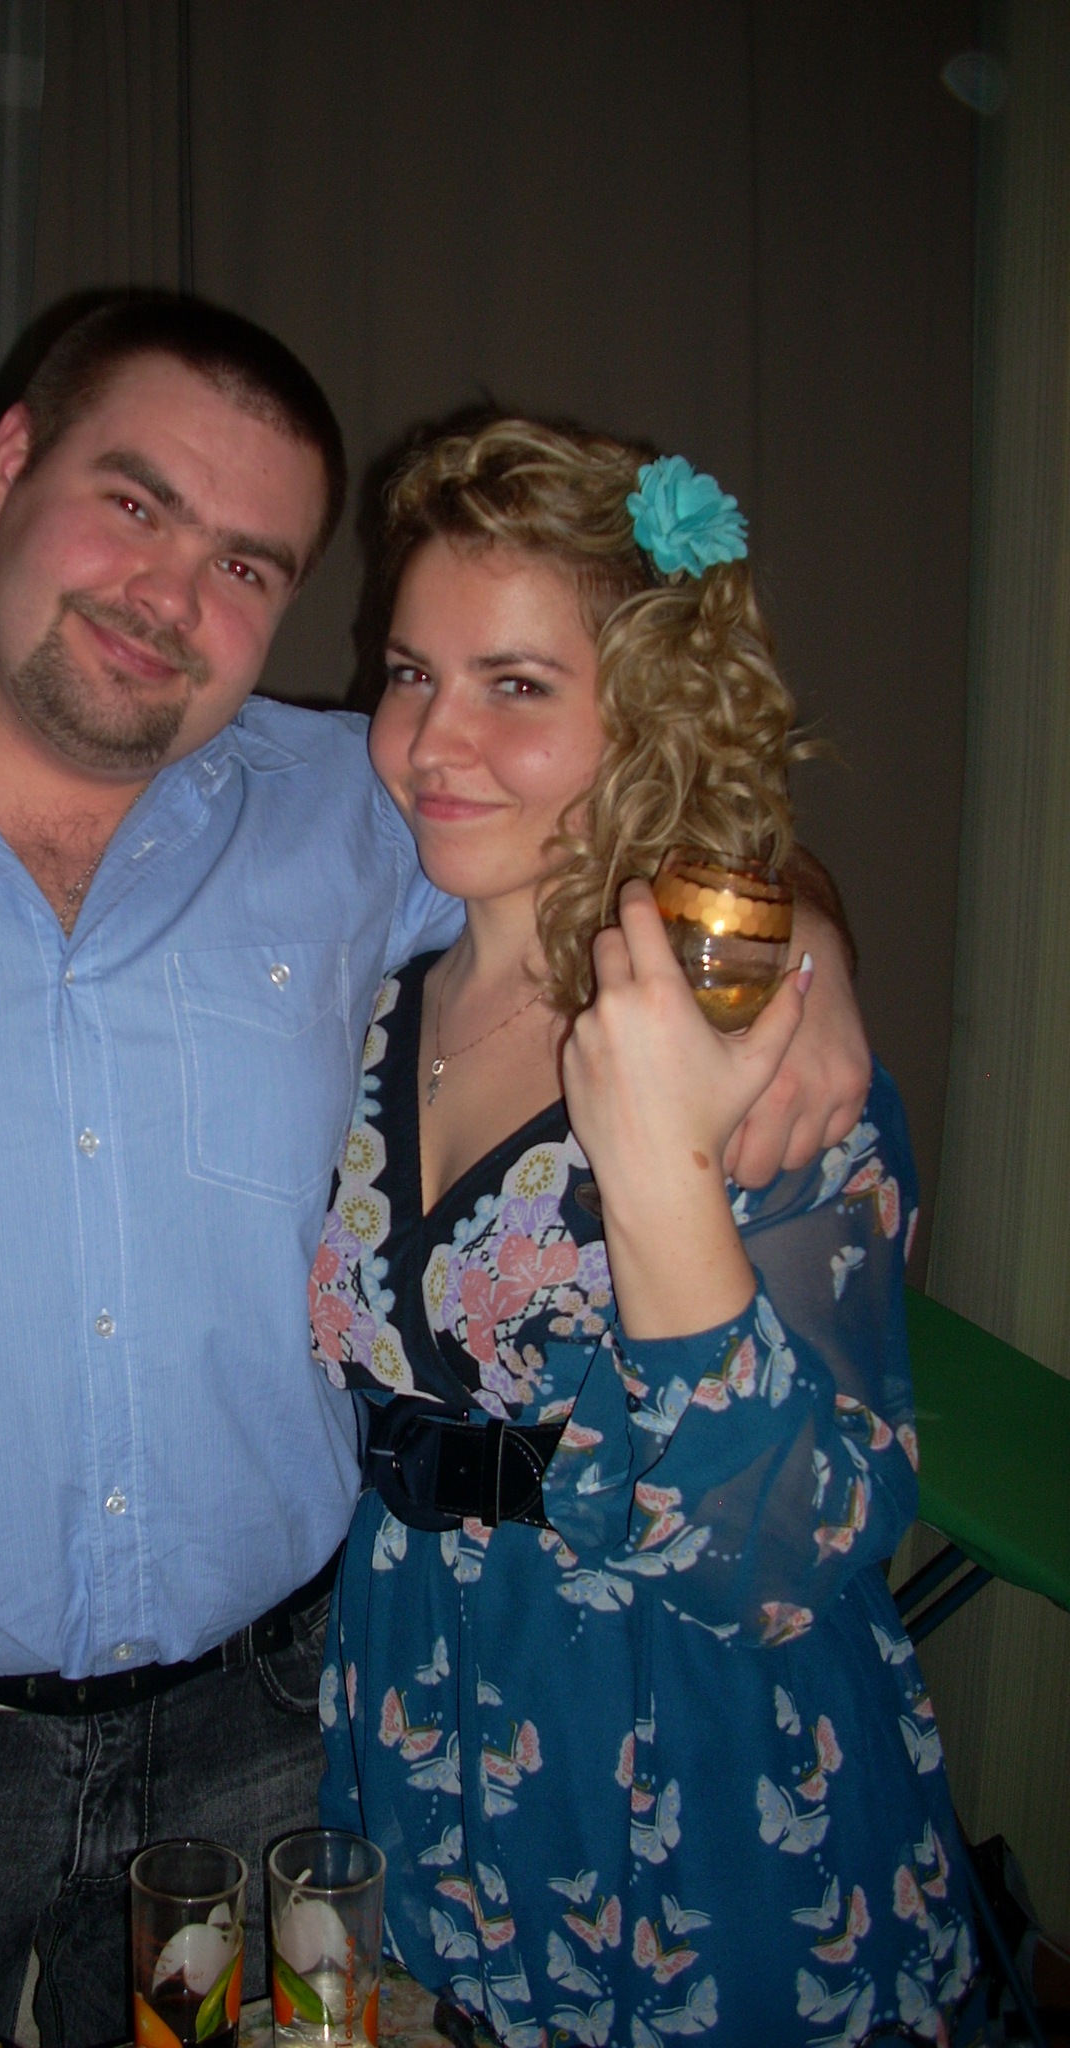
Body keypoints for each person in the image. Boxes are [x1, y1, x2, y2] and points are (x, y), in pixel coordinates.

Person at [0, 299, 868, 2048]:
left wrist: (804, 928)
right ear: (6, 464)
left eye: (247, 565)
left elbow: (619, 812)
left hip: (278, 1731)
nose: (171, 595)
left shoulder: (364, 805)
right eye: (134, 503)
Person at [310, 418, 981, 2046]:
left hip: (691, 1766)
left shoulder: (754, 1042)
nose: (434, 742)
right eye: (410, 674)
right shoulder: (361, 1007)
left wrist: (664, 1172)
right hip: (411, 1721)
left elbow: (797, 1551)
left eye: (516, 684)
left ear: (652, 713)